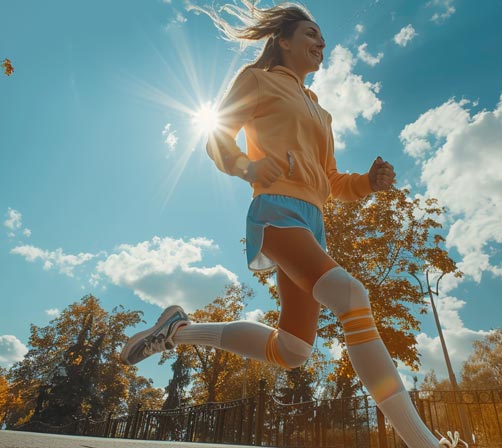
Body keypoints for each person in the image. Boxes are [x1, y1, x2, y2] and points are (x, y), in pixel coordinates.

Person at [120, 2, 460, 447]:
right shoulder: (257, 80)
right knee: (352, 295)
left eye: (323, 38)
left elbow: (333, 181)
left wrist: (368, 183)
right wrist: (245, 166)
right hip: (276, 210)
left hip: (313, 221)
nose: (321, 43)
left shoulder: (321, 112)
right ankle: (425, 443)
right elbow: (216, 136)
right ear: (283, 40)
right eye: (311, 34)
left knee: (293, 351)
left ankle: (177, 331)